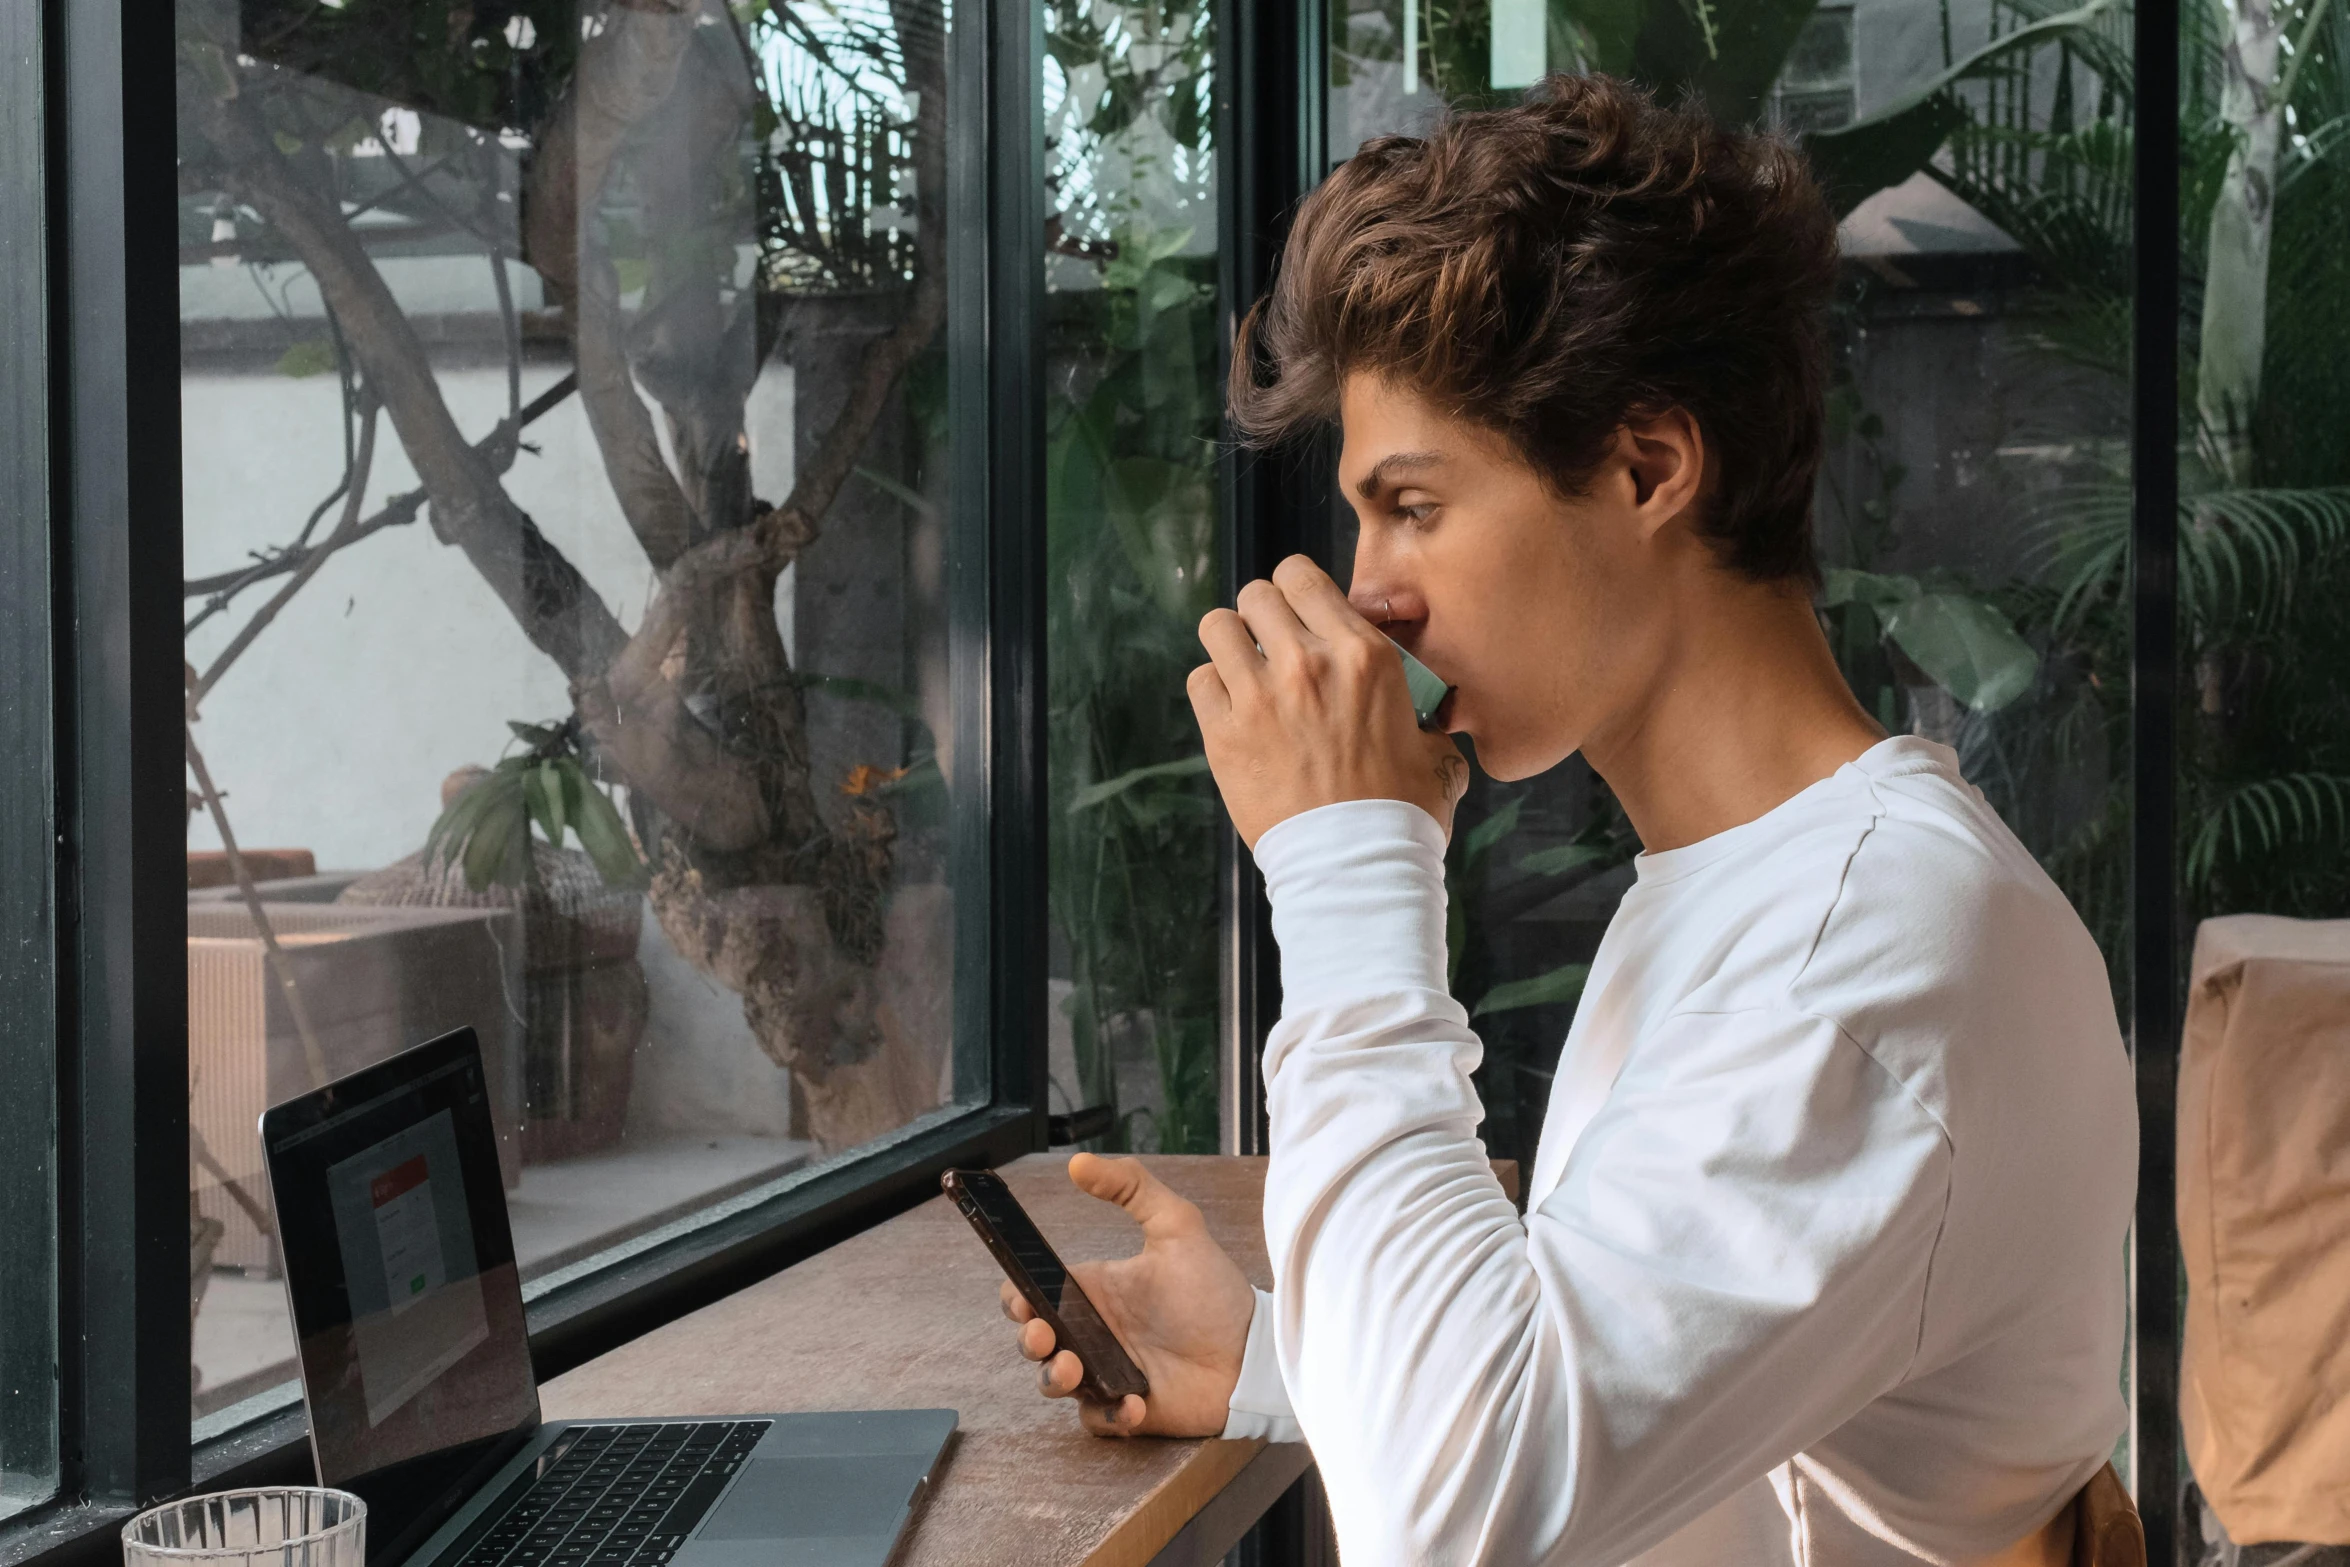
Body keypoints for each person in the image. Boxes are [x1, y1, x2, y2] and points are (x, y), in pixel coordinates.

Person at [998, 74, 2137, 1566]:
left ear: (1647, 466)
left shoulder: (1863, 948)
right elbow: (1673, 1404)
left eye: (1412, 504)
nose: (1370, 588)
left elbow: (1451, 1521)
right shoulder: (1770, 885)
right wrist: (1283, 1364)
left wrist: (1346, 863)